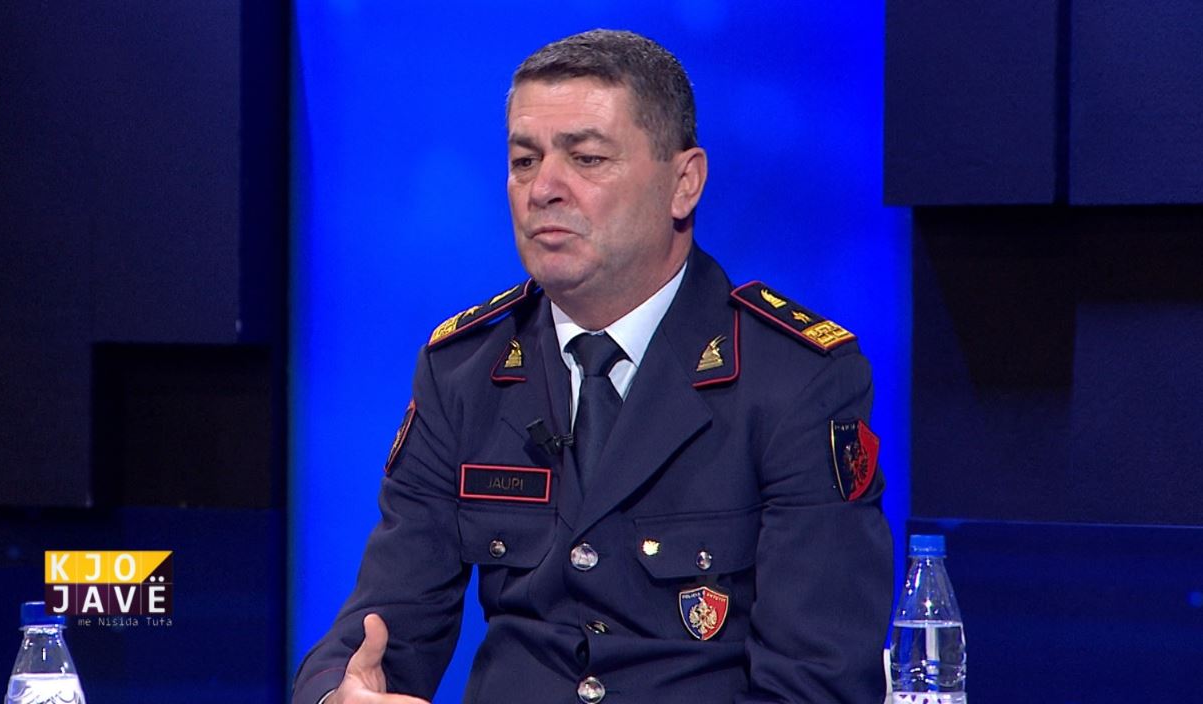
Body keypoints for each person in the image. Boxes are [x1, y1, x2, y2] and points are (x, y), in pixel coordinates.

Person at [293, 29, 892, 704]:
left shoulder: (795, 380)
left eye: (587, 158)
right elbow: (378, 630)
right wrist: (338, 695)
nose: (544, 189)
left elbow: (816, 685)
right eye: (524, 160)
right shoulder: (463, 371)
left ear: (684, 183)